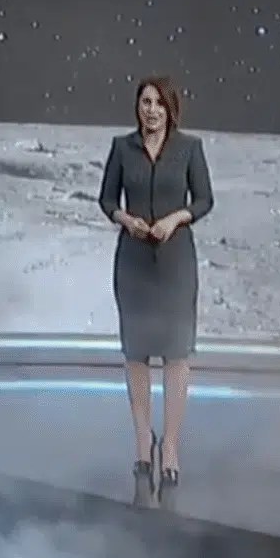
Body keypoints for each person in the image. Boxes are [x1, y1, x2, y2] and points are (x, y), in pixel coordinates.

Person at [96, 77, 214, 508]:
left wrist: (175, 219)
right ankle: (143, 442)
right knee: (137, 353)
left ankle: (171, 445)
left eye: (158, 103)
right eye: (145, 102)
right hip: (133, 263)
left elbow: (204, 200)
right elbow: (106, 199)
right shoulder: (122, 148)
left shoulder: (189, 149)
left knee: (176, 354)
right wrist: (127, 220)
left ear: (170, 109)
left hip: (176, 263)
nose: (151, 110)